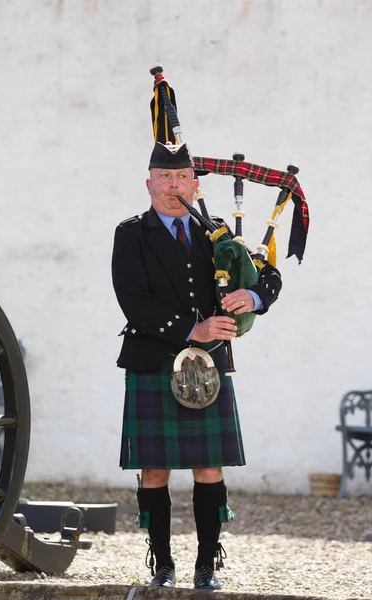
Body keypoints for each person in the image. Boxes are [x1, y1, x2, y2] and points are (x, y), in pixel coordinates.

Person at [111, 141, 282, 590]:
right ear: (149, 184)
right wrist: (194, 329)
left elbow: (266, 276)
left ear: (195, 184)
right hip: (154, 361)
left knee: (209, 466)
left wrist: (255, 297)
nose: (173, 185)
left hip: (209, 366)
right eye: (164, 177)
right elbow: (135, 302)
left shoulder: (218, 232)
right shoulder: (131, 234)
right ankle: (162, 563)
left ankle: (207, 565)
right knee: (155, 469)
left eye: (181, 177)